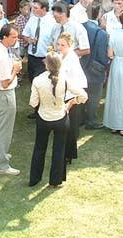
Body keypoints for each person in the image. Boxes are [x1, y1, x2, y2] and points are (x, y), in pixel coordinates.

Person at [29, 52, 87, 188]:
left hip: (43, 118)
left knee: (39, 148)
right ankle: (56, 181)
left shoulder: (38, 80)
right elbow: (83, 95)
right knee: (59, 150)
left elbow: (33, 103)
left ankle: (34, 179)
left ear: (46, 64)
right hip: (61, 117)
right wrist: (71, 103)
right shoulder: (65, 79)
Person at [0, 24, 23, 175]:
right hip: (4, 93)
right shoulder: (0, 56)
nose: (16, 39)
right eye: (13, 37)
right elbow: (5, 82)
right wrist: (16, 70)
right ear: (4, 37)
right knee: (4, 129)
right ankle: (2, 165)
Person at [55, 33, 88, 163]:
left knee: (70, 125)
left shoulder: (71, 58)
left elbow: (69, 78)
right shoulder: (60, 56)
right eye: (58, 44)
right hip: (65, 92)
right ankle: (67, 152)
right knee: (66, 125)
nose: (59, 47)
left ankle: (68, 154)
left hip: (73, 93)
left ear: (69, 45)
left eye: (63, 45)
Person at [81, 1, 110, 129]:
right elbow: (103, 55)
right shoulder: (102, 33)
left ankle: (80, 118)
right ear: (99, 14)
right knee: (94, 95)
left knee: (81, 93)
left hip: (81, 65)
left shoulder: (80, 27)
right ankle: (91, 121)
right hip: (95, 68)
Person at [21, 0, 57, 86]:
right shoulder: (32, 19)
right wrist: (29, 40)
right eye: (32, 7)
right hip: (32, 56)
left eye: (35, 8)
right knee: (32, 79)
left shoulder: (52, 22)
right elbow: (24, 34)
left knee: (41, 83)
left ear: (44, 9)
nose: (32, 10)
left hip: (44, 58)